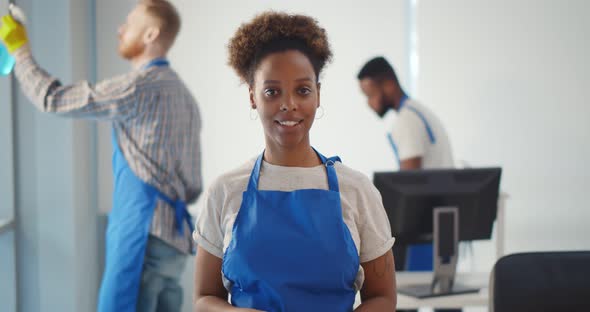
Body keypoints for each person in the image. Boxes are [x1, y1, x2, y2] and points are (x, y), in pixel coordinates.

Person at [0, 1, 202, 311]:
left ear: (151, 34)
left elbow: (53, 99)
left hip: (142, 236)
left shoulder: (138, 88)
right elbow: (193, 186)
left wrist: (19, 50)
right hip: (173, 241)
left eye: (130, 22)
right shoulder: (185, 96)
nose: (120, 29)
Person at [193, 12, 396, 311]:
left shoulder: (357, 191)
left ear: (317, 95)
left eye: (302, 90)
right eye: (272, 91)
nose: (289, 104)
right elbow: (203, 299)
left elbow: (382, 298)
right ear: (252, 96)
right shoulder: (224, 191)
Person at [358, 57, 458, 312]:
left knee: (403, 301)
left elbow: (410, 186)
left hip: (422, 229)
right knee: (446, 301)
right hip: (442, 224)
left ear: (387, 84)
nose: (368, 104)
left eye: (370, 95)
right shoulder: (419, 111)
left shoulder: (407, 121)